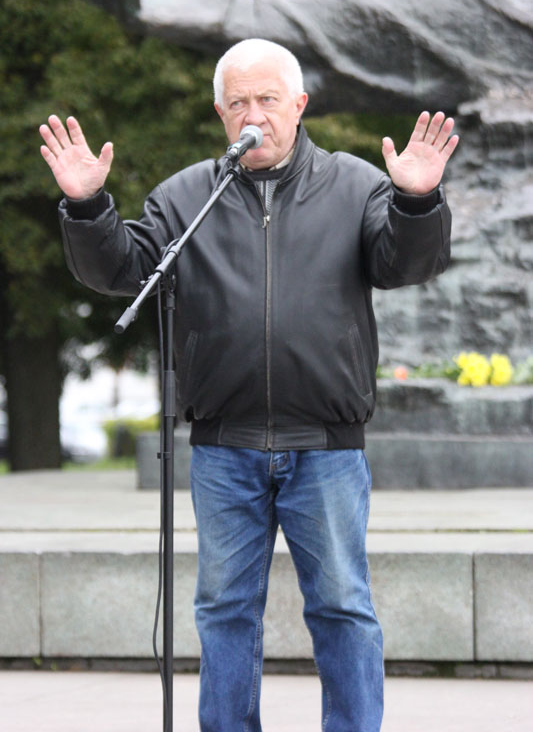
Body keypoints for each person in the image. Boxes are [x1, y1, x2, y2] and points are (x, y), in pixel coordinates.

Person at [39, 38, 458, 732]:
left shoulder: (355, 186)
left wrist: (416, 200)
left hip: (325, 447)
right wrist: (87, 209)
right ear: (220, 114)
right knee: (225, 611)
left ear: (299, 105)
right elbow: (124, 270)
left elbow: (404, 264)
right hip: (223, 448)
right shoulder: (186, 197)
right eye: (238, 103)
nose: (253, 114)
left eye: (268, 99)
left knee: (342, 608)